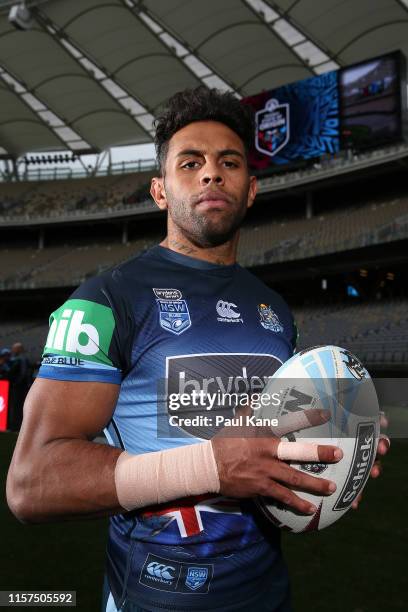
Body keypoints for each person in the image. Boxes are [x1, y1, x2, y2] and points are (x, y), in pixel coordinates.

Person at [6, 87, 389, 612]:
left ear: (251, 189)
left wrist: (331, 454)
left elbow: (269, 452)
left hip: (268, 595)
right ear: (160, 190)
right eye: (191, 163)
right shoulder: (105, 299)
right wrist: (209, 467)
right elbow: (31, 485)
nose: (212, 173)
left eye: (228, 162)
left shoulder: (274, 310)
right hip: (152, 598)